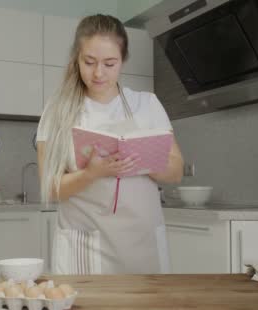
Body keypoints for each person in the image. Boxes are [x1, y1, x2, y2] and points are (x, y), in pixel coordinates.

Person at [36, 14, 184, 275]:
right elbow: (50, 188)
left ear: (123, 60)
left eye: (109, 63)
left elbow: (176, 171)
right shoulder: (57, 110)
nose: (98, 73)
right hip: (84, 244)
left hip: (142, 241)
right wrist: (93, 173)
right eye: (89, 62)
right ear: (77, 58)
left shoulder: (146, 104)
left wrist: (140, 160)